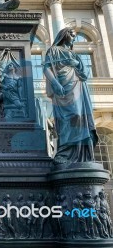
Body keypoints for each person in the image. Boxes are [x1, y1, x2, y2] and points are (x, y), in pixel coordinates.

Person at [43, 27, 98, 166]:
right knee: (66, 119)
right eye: (72, 34)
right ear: (65, 35)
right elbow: (46, 68)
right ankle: (64, 152)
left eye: (75, 35)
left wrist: (78, 63)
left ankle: (81, 155)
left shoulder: (73, 54)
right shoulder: (53, 50)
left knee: (79, 117)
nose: (74, 37)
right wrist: (55, 84)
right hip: (62, 89)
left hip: (77, 87)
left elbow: (84, 74)